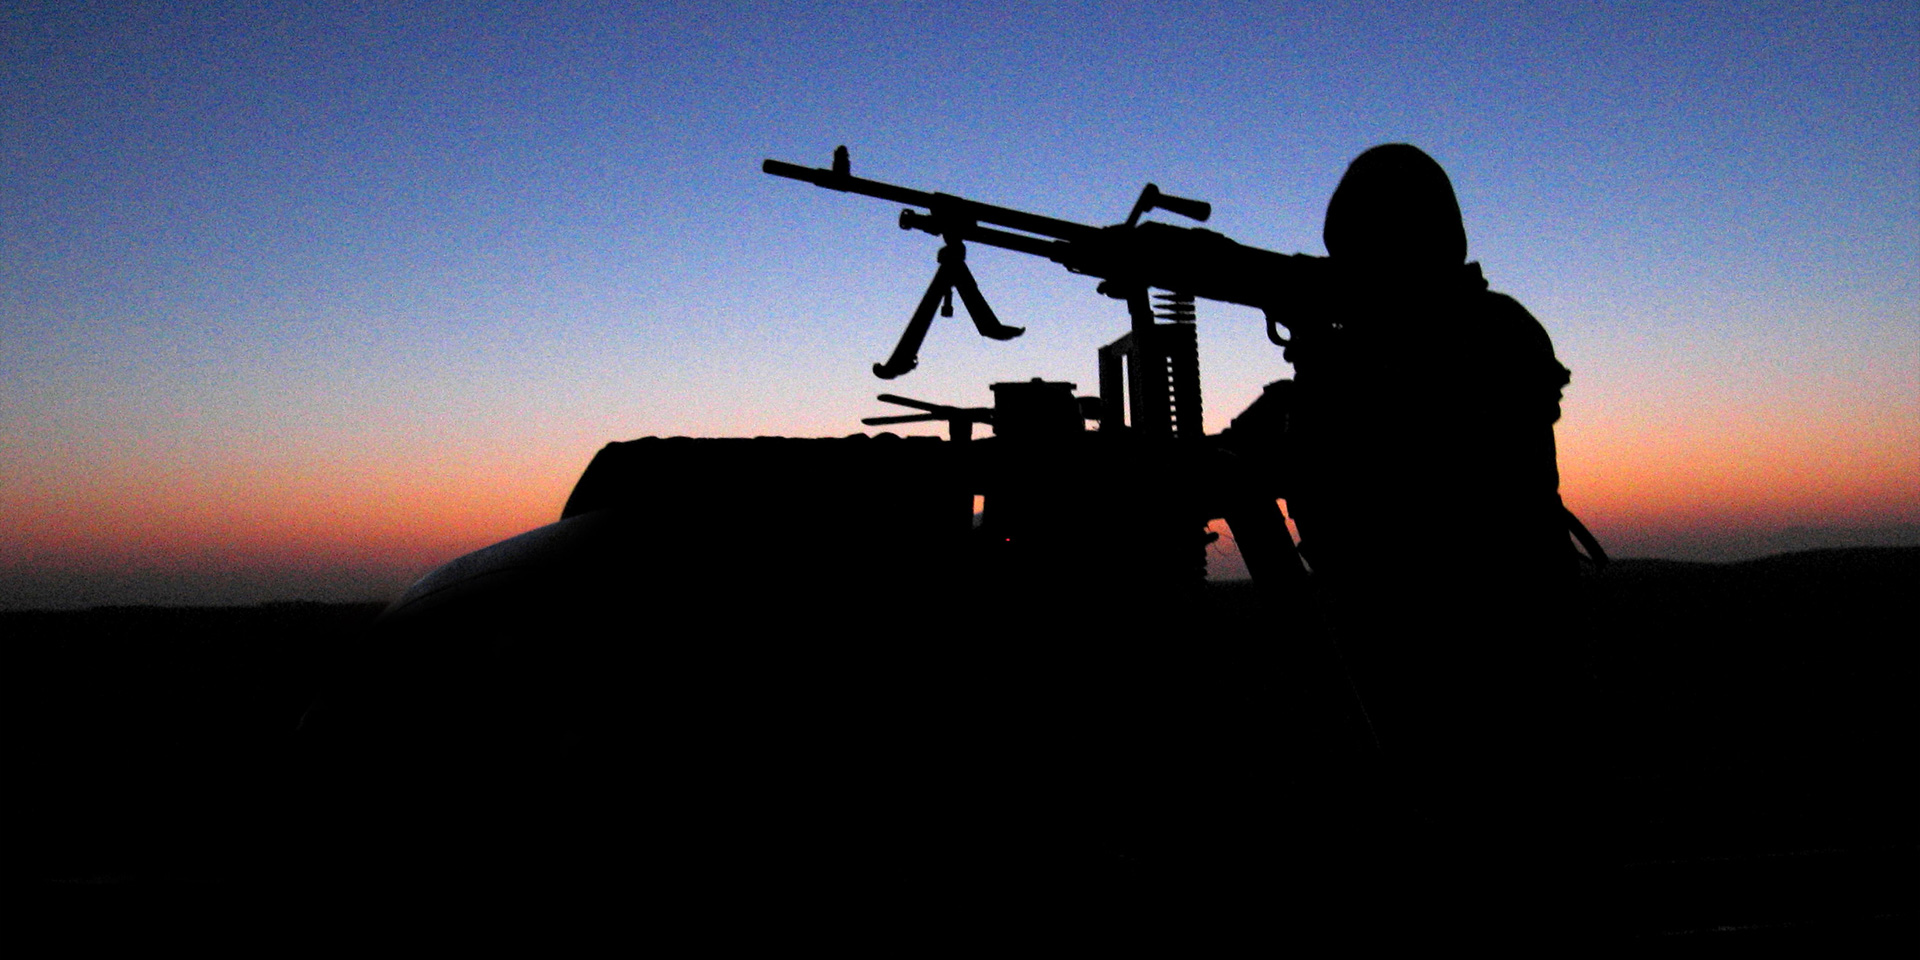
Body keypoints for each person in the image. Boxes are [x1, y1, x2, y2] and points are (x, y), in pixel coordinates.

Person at [1279, 143, 1602, 935]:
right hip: (1406, 640)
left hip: (1482, 647)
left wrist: (1325, 357)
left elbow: (1414, 453)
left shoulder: (1487, 335)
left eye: (1367, 250)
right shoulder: (1399, 343)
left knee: (1489, 868)